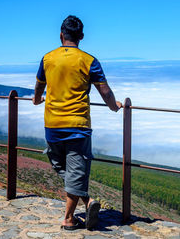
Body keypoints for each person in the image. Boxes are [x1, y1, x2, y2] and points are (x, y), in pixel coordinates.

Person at [32, 15, 122, 230]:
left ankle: (78, 210)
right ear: (81, 37)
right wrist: (114, 106)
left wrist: (36, 101)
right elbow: (105, 91)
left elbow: (38, 88)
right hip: (77, 125)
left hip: (52, 124)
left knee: (61, 166)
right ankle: (76, 212)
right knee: (75, 170)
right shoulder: (89, 60)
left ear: (61, 35)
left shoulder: (47, 59)